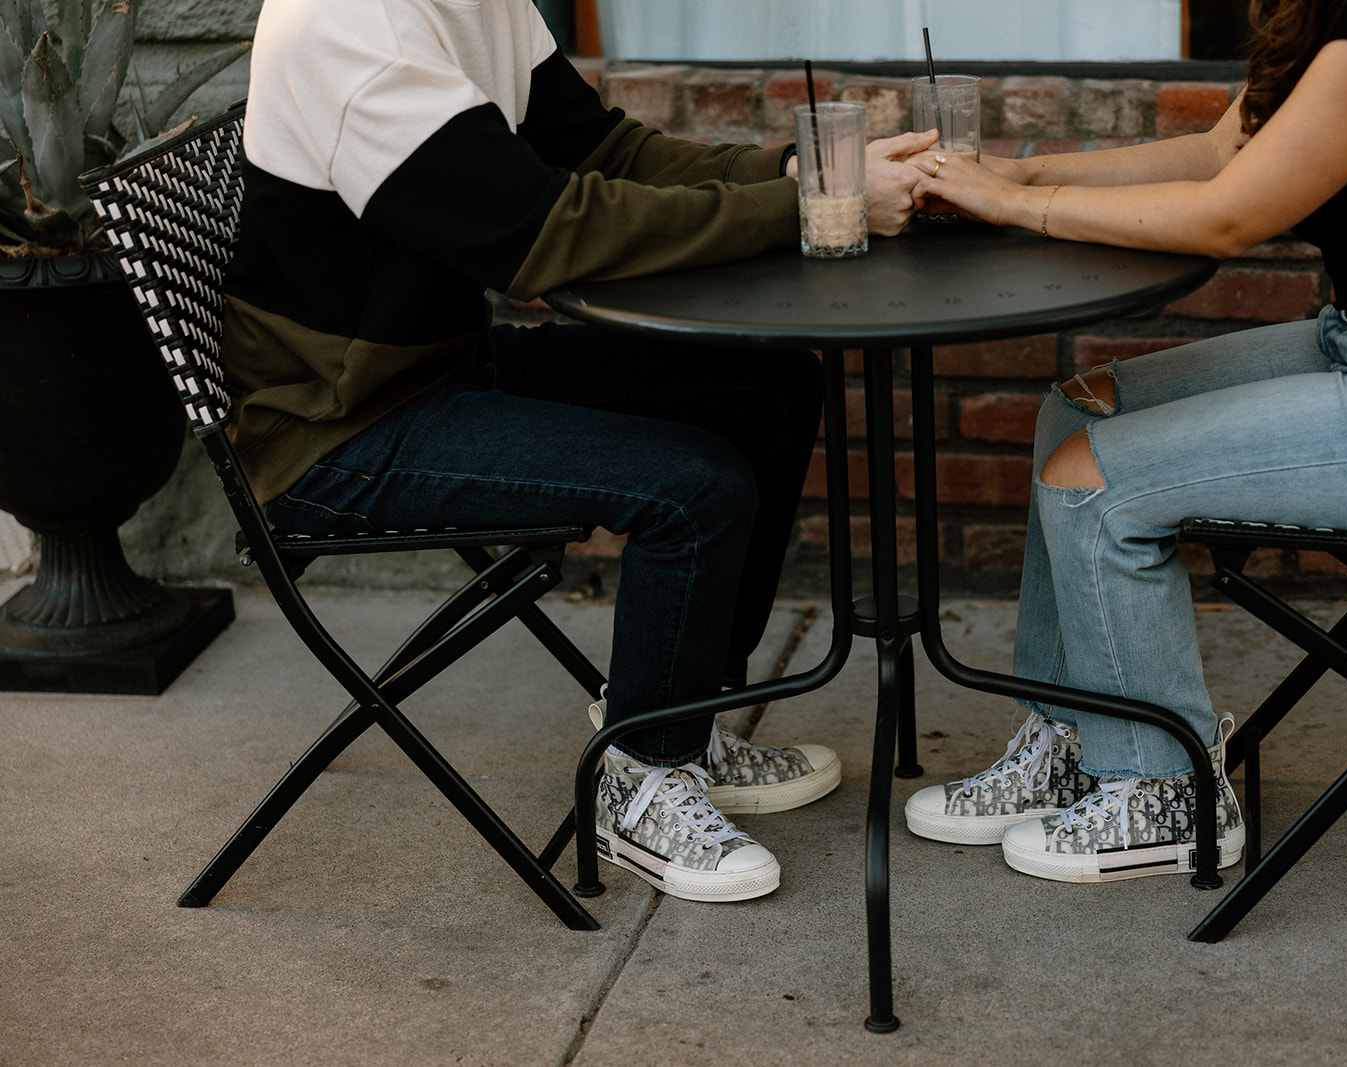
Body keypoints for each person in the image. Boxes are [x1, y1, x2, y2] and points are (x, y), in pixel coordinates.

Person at [221, 0, 935, 903]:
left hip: (433, 366)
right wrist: (804, 204)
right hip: (338, 427)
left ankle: (684, 718)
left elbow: (600, 151)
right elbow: (544, 234)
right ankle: (640, 780)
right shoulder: (347, 29)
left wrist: (794, 169)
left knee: (770, 385)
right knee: (694, 487)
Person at [901, 0, 1347, 883]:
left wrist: (1018, 207)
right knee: (1076, 413)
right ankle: (1077, 732)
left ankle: (1165, 792)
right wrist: (1014, 177)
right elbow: (1222, 151)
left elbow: (1230, 213)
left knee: (1092, 482)